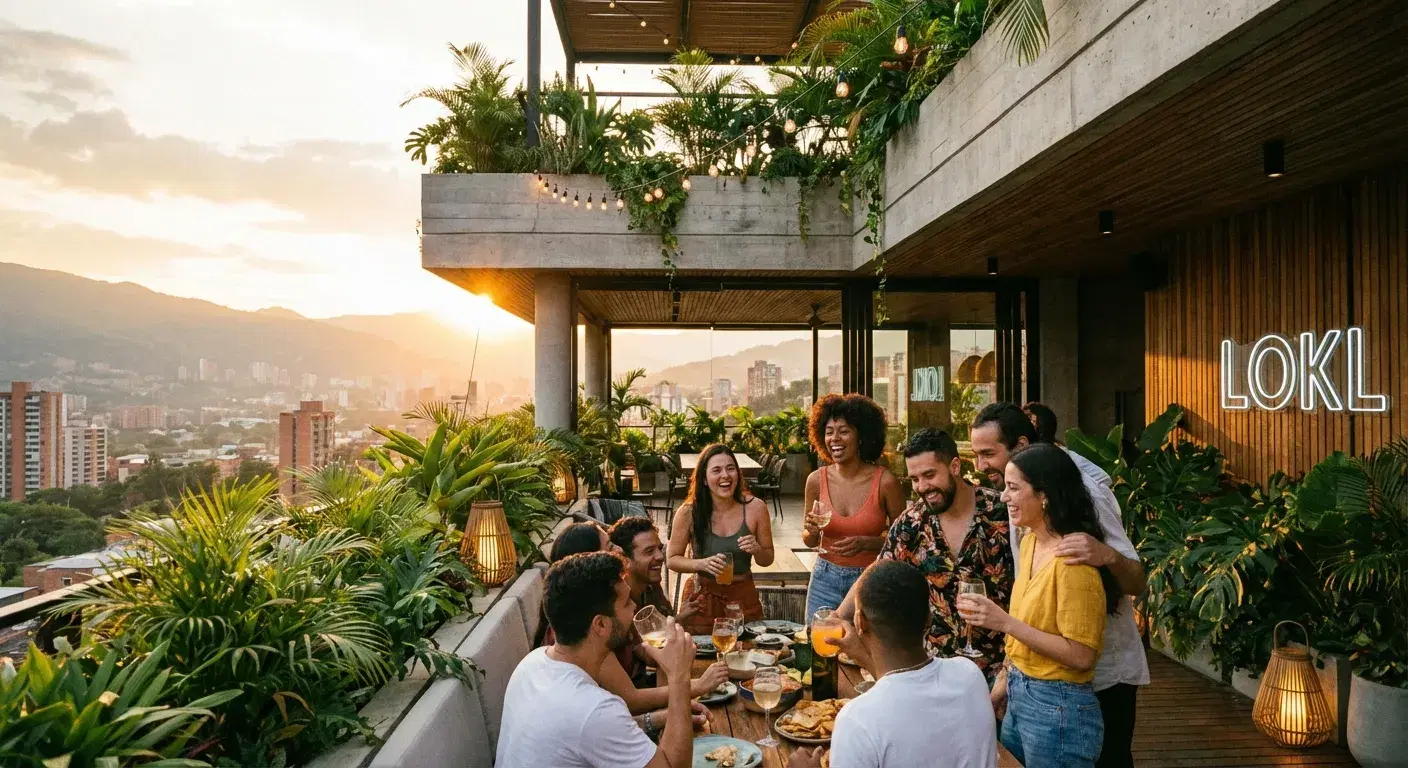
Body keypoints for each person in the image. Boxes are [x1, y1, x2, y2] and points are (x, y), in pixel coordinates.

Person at [971, 403, 1150, 768]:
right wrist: (1010, 677)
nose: (981, 466)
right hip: (1036, 682)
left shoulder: (1083, 495)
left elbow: (1138, 582)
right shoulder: (1029, 513)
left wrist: (1106, 555)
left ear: (1021, 445)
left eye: (988, 453)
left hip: (1101, 675)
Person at [958, 444, 1118, 768]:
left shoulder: (1073, 561)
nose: (1003, 496)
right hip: (1020, 694)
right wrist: (1001, 688)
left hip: (1058, 709)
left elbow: (1082, 654)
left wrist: (1003, 623)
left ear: (1044, 495)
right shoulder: (1030, 541)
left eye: (1013, 488)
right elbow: (1024, 636)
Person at [835, 428, 1014, 683]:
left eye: (929, 475)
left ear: (954, 466)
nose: (922, 487)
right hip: (933, 673)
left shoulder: (1003, 513)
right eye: (915, 479)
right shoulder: (912, 522)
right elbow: (879, 568)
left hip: (1000, 674)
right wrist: (839, 615)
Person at [788, 560, 997, 768]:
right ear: (929, 618)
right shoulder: (969, 675)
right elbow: (904, 692)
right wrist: (862, 654)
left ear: (859, 622)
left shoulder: (857, 720)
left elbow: (896, 695)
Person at [497, 552, 697, 768]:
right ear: (600, 625)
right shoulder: (594, 709)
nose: (634, 607)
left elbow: (599, 734)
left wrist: (668, 716)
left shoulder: (532, 662)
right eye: (627, 602)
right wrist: (679, 677)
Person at [544, 521, 728, 715]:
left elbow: (648, 652)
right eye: (609, 546)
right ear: (588, 561)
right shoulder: (587, 630)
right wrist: (695, 685)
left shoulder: (607, 605)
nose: (618, 549)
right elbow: (631, 700)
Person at [801, 394, 907, 619]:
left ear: (861, 436)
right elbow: (810, 541)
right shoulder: (815, 480)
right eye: (829, 432)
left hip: (870, 579)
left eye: (844, 431)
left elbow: (905, 542)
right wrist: (811, 530)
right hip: (824, 578)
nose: (835, 438)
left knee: (866, 649)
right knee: (818, 644)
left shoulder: (885, 482)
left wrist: (869, 543)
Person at [667, 443, 775, 634]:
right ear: (705, 480)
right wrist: (702, 564)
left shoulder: (756, 508)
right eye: (716, 470)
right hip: (702, 601)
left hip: (744, 600)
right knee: (702, 659)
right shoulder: (688, 512)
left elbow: (767, 559)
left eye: (730, 468)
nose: (725, 475)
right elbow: (672, 559)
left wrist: (757, 549)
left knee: (748, 656)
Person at [609, 515, 705, 623]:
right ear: (625, 560)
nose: (660, 556)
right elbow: (638, 637)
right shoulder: (616, 601)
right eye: (649, 551)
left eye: (659, 548)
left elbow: (657, 629)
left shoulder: (652, 587)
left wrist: (680, 615)